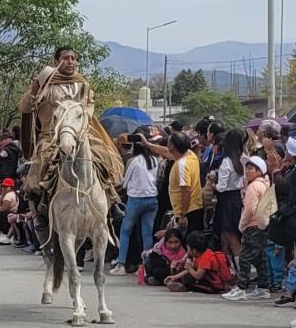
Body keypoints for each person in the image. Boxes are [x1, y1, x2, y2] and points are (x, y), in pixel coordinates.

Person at [19, 46, 125, 222]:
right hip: (51, 134)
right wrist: (34, 92)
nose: (70, 62)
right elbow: (24, 108)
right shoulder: (45, 84)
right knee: (40, 166)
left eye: (73, 58)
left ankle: (112, 201)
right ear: (56, 62)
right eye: (66, 58)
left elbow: (90, 103)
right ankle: (41, 209)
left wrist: (84, 116)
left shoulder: (83, 83)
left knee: (105, 158)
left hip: (81, 132)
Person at [110, 130, 159, 276]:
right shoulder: (155, 160)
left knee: (125, 231)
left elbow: (124, 183)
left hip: (135, 199)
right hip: (152, 199)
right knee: (147, 234)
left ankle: (121, 264)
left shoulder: (134, 161)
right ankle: (145, 267)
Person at [222, 155, 271, 301]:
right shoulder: (265, 184)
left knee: (244, 256)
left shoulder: (253, 186)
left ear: (259, 171)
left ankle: (241, 287)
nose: (247, 171)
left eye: (251, 168)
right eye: (247, 168)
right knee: (259, 257)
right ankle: (263, 287)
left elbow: (250, 209)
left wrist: (242, 224)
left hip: (252, 225)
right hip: (262, 225)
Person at [145, 131, 204, 234]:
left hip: (188, 212)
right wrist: (147, 144)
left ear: (172, 146)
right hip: (195, 208)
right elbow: (165, 152)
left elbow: (186, 191)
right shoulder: (190, 155)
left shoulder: (182, 164)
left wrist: (182, 216)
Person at [212, 129, 245, 271]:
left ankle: (238, 270)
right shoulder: (242, 159)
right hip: (236, 199)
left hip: (226, 201)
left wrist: (213, 182)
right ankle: (229, 269)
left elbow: (221, 187)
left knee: (230, 236)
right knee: (229, 235)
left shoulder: (226, 162)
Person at [0, 178, 19, 245]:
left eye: (6, 186)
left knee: (1, 214)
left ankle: (4, 233)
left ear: (11, 187)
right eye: (3, 186)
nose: (4, 188)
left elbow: (5, 208)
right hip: (12, 213)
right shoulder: (8, 194)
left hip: (12, 214)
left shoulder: (9, 194)